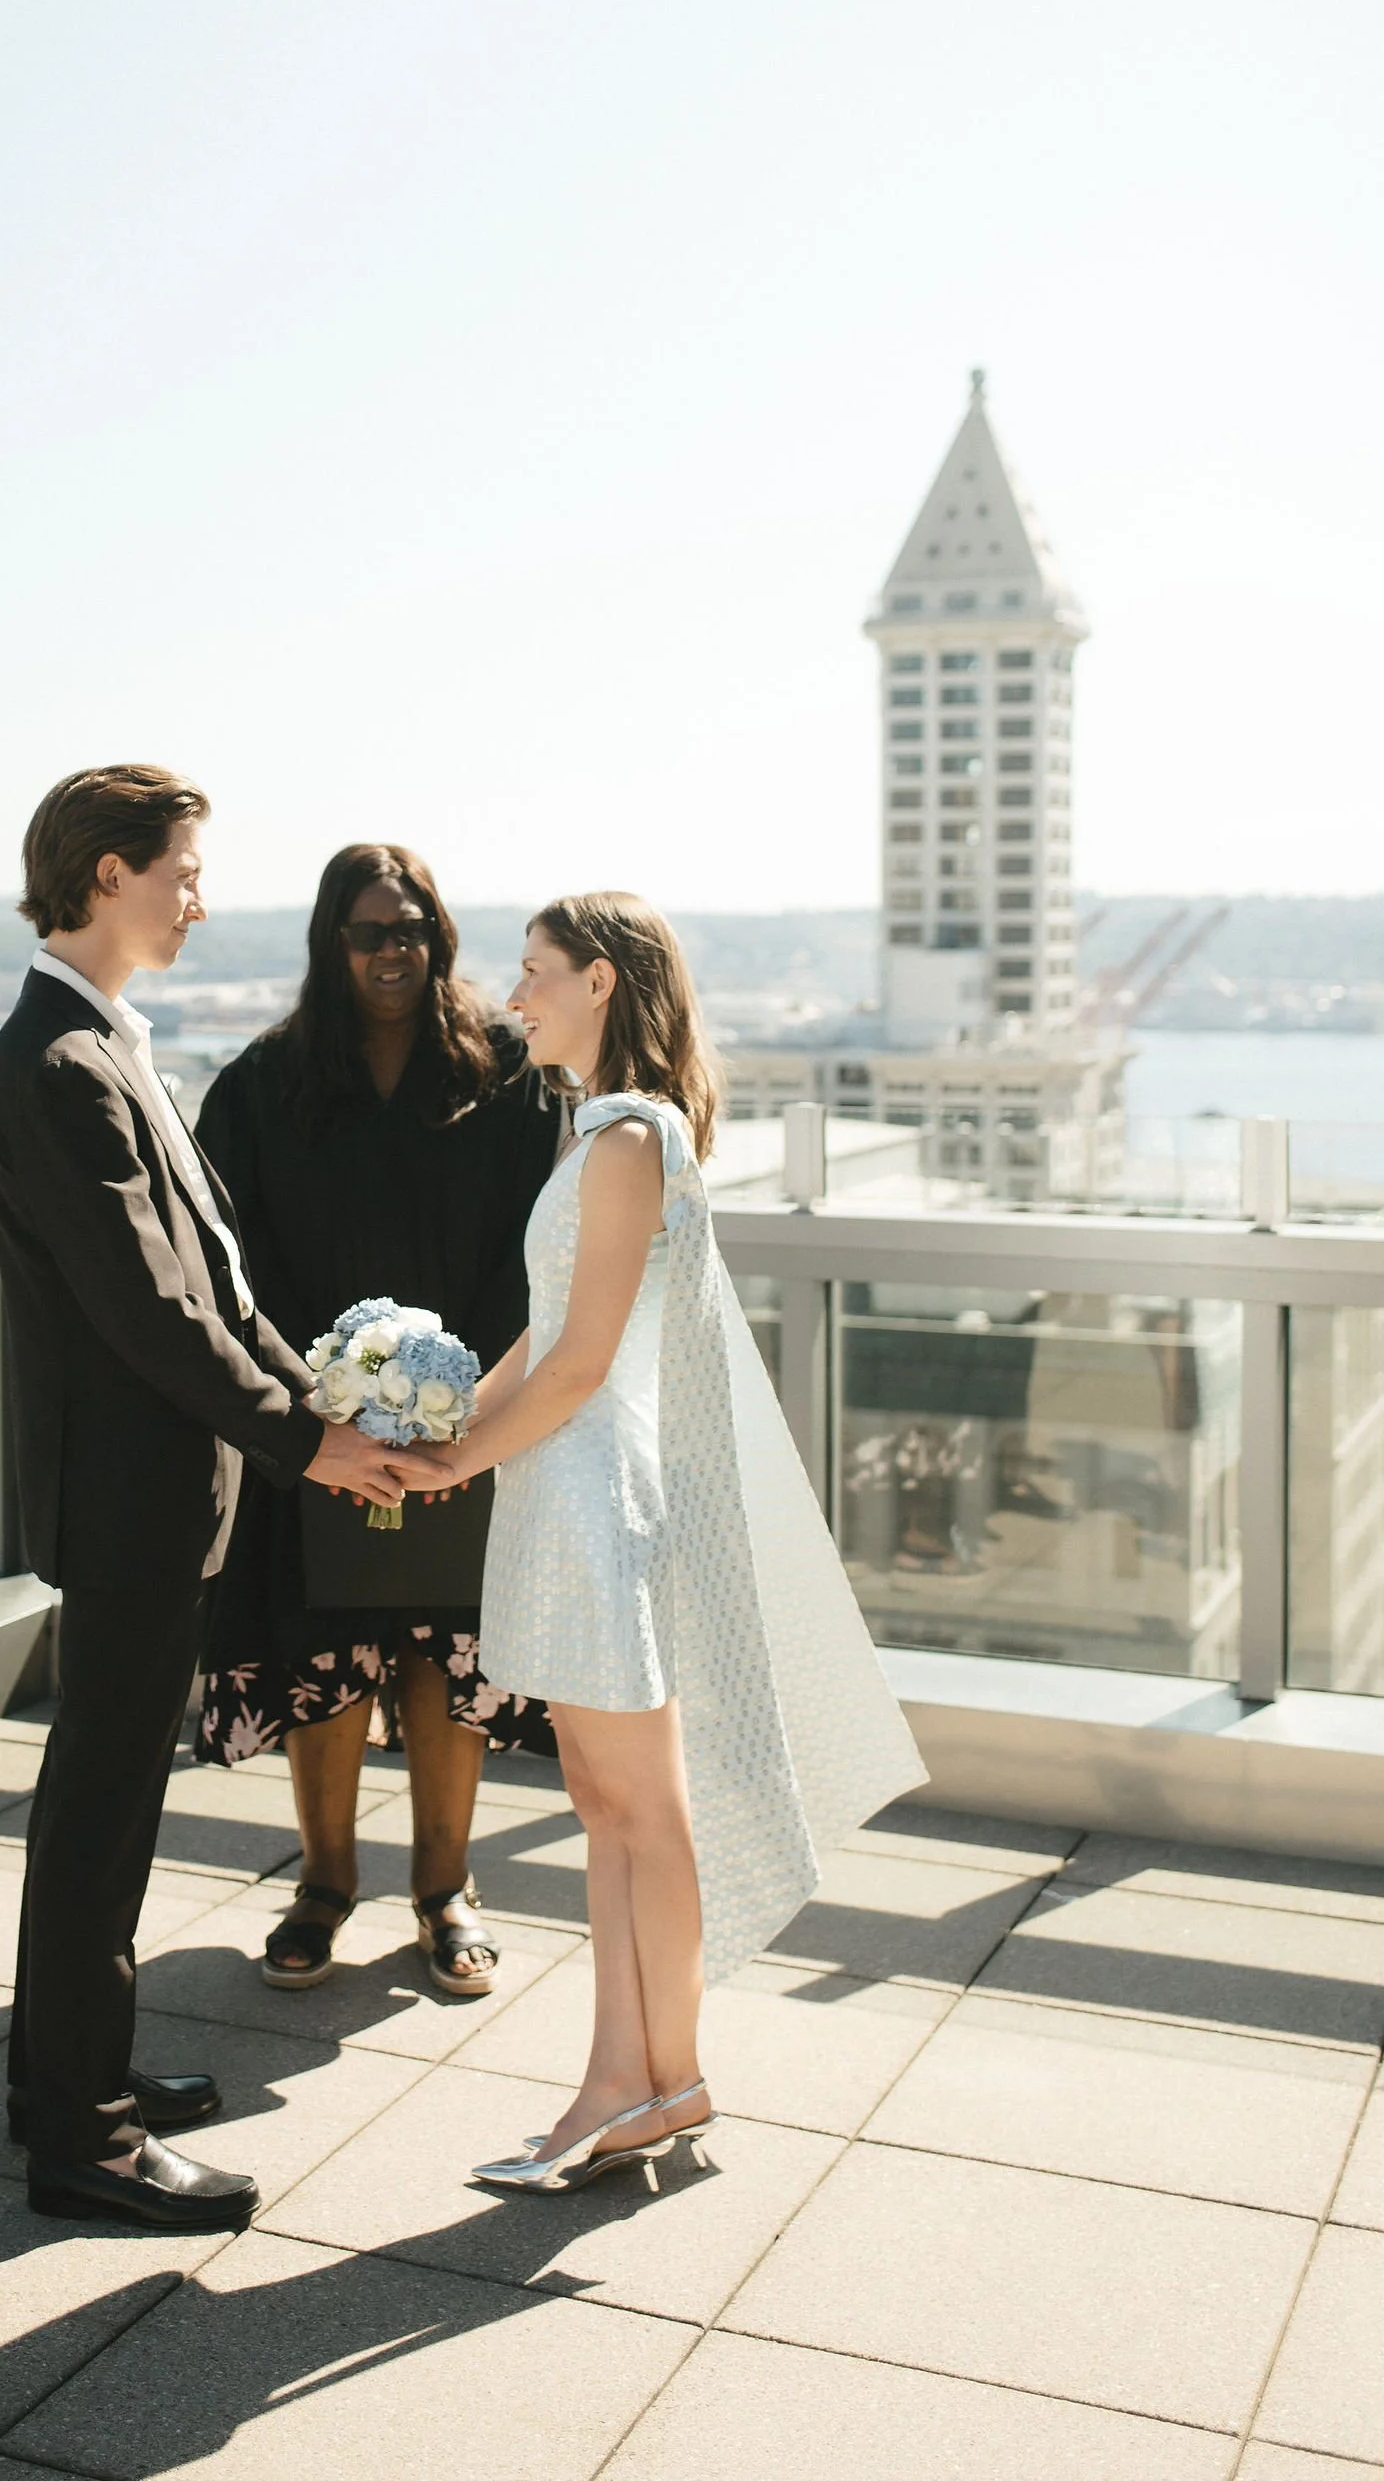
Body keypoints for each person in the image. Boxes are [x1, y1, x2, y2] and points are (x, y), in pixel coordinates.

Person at [388, 892, 925, 2191]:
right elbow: (545, 1328)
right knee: (610, 1806)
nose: (513, 997)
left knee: (637, 1806)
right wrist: (443, 1423)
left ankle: (649, 2079)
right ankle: (632, 2079)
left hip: (591, 1500)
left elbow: (580, 1365)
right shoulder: (602, 1132)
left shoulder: (628, 1137)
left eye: (535, 972)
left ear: (601, 984)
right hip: (562, 1490)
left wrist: (458, 1457)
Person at [0, 765, 405, 2233]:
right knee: (99, 1820)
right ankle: (84, 2141)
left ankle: (61, 2086)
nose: (199, 902)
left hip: (152, 1493)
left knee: (98, 1808)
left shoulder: (100, 1044)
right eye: (184, 872)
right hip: (131, 1501)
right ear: (109, 873)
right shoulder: (60, 1064)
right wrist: (305, 1445)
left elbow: (218, 1285)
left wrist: (317, 1409)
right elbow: (152, 1314)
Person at [193, 844, 562, 1997]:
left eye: (410, 929)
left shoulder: (506, 1072)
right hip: (317, 1429)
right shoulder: (263, 1081)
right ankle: (322, 1885)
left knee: (448, 1655)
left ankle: (445, 1890)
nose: (391, 950)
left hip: (467, 1425)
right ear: (331, 943)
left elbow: (538, 1253)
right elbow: (227, 1262)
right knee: (326, 1655)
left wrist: (459, 1407)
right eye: (367, 932)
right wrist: (327, 1405)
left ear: (437, 937)